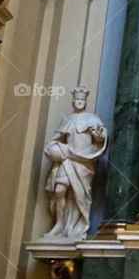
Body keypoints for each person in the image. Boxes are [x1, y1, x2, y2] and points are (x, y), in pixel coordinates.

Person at [43, 87, 108, 240]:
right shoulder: (67, 120)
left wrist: (98, 135)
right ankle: (59, 224)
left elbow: (101, 136)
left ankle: (74, 228)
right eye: (77, 99)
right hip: (67, 158)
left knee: (79, 195)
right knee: (59, 190)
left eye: (82, 100)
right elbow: (54, 140)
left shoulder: (92, 118)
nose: (79, 102)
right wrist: (54, 149)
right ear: (73, 101)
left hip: (83, 162)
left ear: (85, 102)